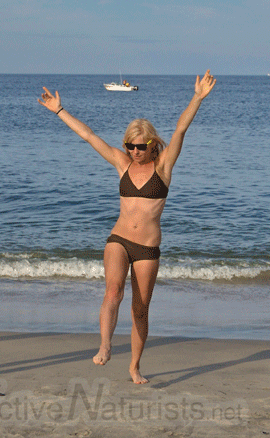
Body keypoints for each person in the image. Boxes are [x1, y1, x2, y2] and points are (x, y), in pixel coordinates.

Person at [38, 70, 217, 384]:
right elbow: (89, 136)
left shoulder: (163, 167)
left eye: (139, 146)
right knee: (113, 291)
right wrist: (59, 110)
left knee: (140, 310)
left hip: (148, 248)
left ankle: (134, 366)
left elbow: (180, 128)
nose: (134, 151)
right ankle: (105, 345)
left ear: (152, 145)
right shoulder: (122, 163)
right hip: (119, 239)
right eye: (129, 146)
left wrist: (197, 97)